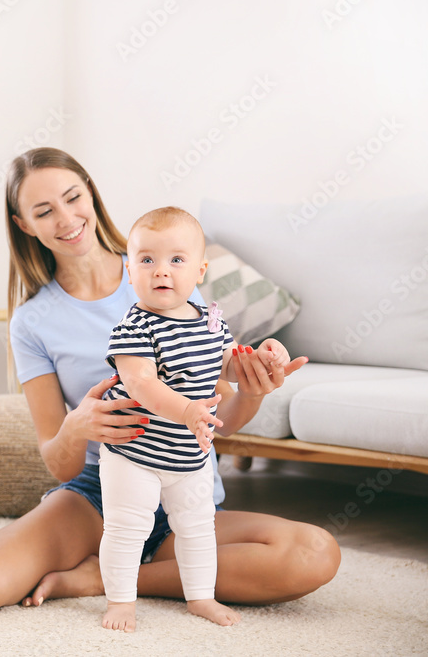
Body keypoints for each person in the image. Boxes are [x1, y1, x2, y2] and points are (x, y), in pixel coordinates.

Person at [0, 147, 340, 616]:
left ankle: (108, 576)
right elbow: (56, 460)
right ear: (25, 225)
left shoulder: (167, 275)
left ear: (91, 195)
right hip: (97, 499)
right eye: (44, 211)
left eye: (71, 197)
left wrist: (252, 392)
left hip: (186, 491)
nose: (65, 218)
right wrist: (77, 426)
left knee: (313, 553)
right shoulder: (32, 322)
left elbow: (220, 420)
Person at [97, 206, 289, 631]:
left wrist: (266, 357)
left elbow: (232, 367)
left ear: (200, 271)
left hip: (191, 456)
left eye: (176, 260)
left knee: (199, 528)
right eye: (147, 260)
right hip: (135, 452)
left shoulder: (213, 321)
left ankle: (201, 597)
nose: (161, 271)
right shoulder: (134, 327)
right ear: (130, 272)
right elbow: (142, 383)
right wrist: (186, 410)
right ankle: (120, 602)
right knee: (128, 527)